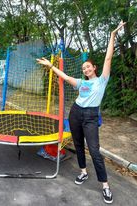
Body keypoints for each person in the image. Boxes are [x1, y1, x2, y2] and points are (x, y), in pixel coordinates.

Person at [37, 21, 126, 204]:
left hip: (91, 116)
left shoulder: (101, 80)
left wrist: (112, 36)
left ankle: (105, 186)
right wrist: (51, 66)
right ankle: (83, 172)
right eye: (84, 68)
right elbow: (66, 77)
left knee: (94, 150)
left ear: (94, 68)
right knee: (78, 145)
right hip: (76, 113)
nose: (86, 69)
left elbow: (108, 59)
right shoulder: (82, 83)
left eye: (88, 66)